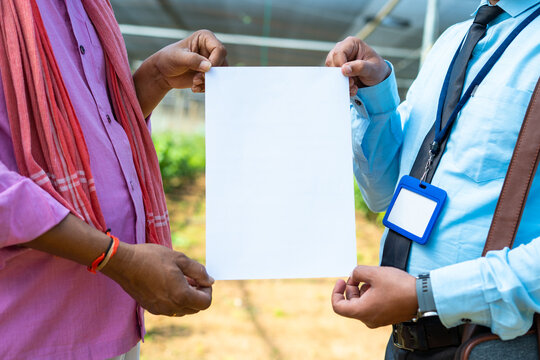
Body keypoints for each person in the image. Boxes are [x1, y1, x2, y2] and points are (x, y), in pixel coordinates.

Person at [0, 1, 226, 359]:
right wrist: (116, 260)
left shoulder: (86, 6)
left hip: (111, 327)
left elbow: (84, 133)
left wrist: (154, 79)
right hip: (31, 333)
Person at [326, 0, 540, 358]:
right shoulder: (452, 39)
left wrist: (426, 294)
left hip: (494, 344)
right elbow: (382, 191)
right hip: (403, 341)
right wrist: (375, 94)